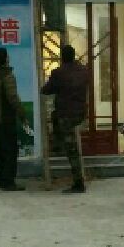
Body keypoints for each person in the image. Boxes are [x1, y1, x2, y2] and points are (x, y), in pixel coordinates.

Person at [42, 45, 89, 194]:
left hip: (66, 115)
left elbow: (46, 90)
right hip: (81, 113)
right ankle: (59, 144)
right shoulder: (84, 71)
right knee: (71, 143)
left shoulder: (59, 73)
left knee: (72, 150)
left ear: (62, 57)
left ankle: (78, 183)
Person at [0, 47, 27, 192]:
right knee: (10, 151)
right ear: (6, 59)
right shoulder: (8, 76)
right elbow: (13, 98)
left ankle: (1, 180)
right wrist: (22, 114)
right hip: (6, 119)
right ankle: (9, 182)